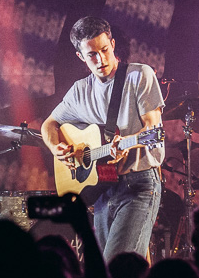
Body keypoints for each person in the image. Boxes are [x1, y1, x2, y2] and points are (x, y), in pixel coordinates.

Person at [41, 16, 165, 261]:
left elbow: (153, 129)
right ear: (80, 57)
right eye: (92, 55)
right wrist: (56, 148)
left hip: (138, 185)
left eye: (105, 50)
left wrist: (129, 142)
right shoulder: (79, 91)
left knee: (116, 266)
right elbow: (49, 124)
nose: (101, 60)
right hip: (101, 190)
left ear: (113, 44)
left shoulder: (140, 75)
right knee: (105, 271)